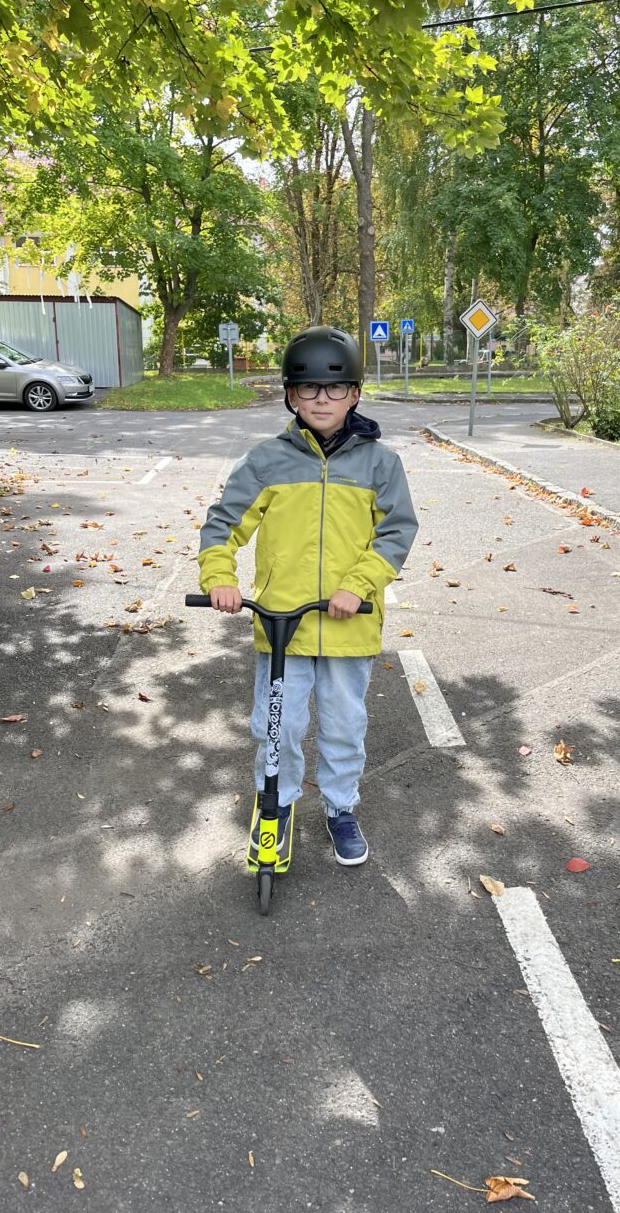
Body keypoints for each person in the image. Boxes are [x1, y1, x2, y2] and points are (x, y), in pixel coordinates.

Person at [197, 326, 418, 867]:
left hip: (349, 622)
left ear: (355, 394)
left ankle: (341, 808)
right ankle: (276, 803)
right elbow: (223, 524)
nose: (322, 399)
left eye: (335, 388)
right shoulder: (266, 461)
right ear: (291, 396)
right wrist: (219, 578)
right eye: (308, 388)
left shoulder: (380, 464)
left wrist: (356, 586)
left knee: (344, 727)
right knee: (277, 726)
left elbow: (395, 534)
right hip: (282, 624)